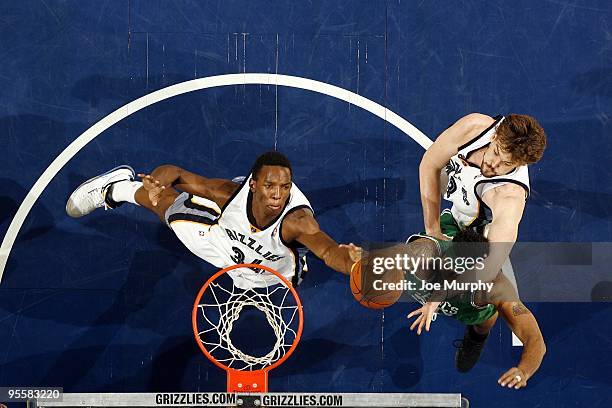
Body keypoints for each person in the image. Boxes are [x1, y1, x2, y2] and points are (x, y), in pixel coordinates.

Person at [66, 151, 361, 288]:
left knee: (275, 278)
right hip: (223, 239)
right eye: (270, 186)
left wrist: (351, 263)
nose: (277, 195)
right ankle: (115, 188)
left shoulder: (297, 222)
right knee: (170, 207)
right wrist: (155, 183)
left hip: (274, 264)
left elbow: (328, 251)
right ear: (254, 186)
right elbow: (176, 173)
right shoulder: (230, 193)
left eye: (284, 188)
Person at [364, 231, 545, 390]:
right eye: (448, 265)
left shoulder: (495, 287)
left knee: (484, 320)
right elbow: (393, 255)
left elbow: (534, 339)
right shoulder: (424, 254)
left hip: (470, 306)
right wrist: (364, 259)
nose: (450, 273)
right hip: (436, 275)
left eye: (457, 273)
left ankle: (476, 339)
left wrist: (524, 371)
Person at [416, 113, 547, 332]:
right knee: (420, 260)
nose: (493, 163)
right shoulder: (475, 127)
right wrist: (433, 231)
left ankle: (481, 328)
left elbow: (490, 266)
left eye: (506, 163)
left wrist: (440, 295)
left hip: (479, 243)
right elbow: (429, 164)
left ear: (521, 164)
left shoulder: (508, 197)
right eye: (496, 151)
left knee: (477, 301)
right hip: (457, 213)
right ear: (495, 135)